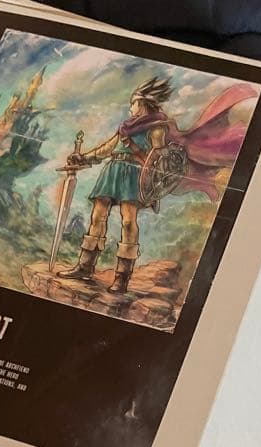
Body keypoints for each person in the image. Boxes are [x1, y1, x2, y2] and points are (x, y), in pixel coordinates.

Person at [61, 76, 172, 294]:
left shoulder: (157, 129)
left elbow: (158, 162)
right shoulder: (125, 128)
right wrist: (84, 157)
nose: (131, 108)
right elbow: (108, 148)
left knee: (128, 222)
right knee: (97, 217)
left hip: (133, 175)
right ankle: (85, 267)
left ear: (143, 104)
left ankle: (122, 277)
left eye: (134, 103)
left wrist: (138, 154)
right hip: (112, 171)